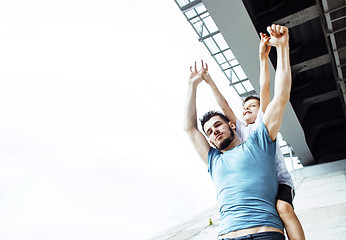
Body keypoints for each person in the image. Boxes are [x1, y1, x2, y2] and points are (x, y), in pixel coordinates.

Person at [184, 24, 295, 240]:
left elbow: (280, 95)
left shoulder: (258, 141)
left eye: (217, 125)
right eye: (209, 131)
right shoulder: (213, 160)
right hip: (228, 236)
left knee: (285, 209)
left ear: (231, 125)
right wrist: (192, 86)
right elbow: (189, 127)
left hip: (265, 234)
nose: (214, 131)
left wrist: (282, 49)